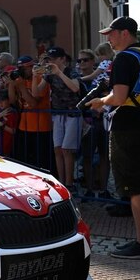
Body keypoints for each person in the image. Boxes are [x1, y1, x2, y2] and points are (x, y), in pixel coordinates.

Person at [87, 16, 140, 259]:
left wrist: (100, 101)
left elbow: (118, 97)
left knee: (135, 187)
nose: (108, 38)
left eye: (112, 33)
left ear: (125, 33)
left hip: (127, 126)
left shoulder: (125, 58)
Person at [34, 46, 82, 193]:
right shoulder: (49, 74)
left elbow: (75, 88)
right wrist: (35, 76)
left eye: (53, 59)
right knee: (57, 149)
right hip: (57, 113)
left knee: (67, 149)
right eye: (49, 59)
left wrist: (59, 72)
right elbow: (36, 93)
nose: (50, 62)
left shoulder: (70, 71)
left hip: (72, 113)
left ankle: (70, 183)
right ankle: (61, 181)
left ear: (62, 59)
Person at [10, 55, 54, 173]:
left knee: (41, 163)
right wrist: (11, 84)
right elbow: (12, 101)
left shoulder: (40, 79)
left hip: (41, 127)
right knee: (24, 162)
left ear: (31, 67)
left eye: (24, 68)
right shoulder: (21, 80)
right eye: (20, 68)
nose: (21, 71)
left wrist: (22, 88)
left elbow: (34, 103)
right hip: (24, 126)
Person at [78, 49, 111, 199]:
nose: (82, 63)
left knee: (104, 156)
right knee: (87, 157)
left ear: (93, 61)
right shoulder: (77, 79)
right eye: (79, 61)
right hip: (87, 121)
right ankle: (89, 189)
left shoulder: (104, 75)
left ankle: (104, 190)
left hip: (103, 120)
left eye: (85, 60)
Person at [0, 90, 19, 156]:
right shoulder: (1, 112)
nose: (0, 103)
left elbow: (13, 131)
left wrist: (3, 126)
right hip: (0, 144)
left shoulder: (12, 113)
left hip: (9, 145)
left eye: (3, 100)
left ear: (9, 100)